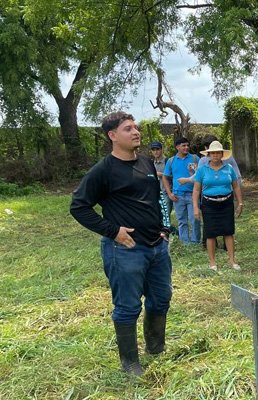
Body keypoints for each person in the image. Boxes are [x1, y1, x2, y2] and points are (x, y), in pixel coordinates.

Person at [70, 111, 172, 376]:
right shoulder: (103, 170)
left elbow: (156, 198)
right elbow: (79, 207)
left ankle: (156, 348)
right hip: (125, 250)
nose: (136, 131)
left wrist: (163, 228)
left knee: (161, 299)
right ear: (113, 136)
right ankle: (130, 363)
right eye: (128, 128)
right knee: (128, 306)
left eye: (136, 127)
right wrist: (113, 231)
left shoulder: (148, 163)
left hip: (157, 247)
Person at [192, 141, 243, 271]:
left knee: (228, 231)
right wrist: (196, 208)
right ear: (209, 155)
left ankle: (232, 261)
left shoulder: (229, 169)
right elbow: (196, 190)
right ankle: (212, 262)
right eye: (213, 153)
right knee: (210, 233)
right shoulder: (202, 169)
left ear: (222, 154)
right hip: (209, 204)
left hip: (226, 203)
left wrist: (240, 202)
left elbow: (236, 186)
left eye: (218, 153)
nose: (215, 155)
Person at [163, 137, 200, 244]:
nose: (186, 147)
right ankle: (185, 242)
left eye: (187, 145)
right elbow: (165, 177)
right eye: (183, 145)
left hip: (193, 194)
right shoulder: (171, 161)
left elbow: (201, 174)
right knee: (182, 221)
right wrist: (169, 193)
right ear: (177, 147)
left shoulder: (194, 158)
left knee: (195, 219)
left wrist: (193, 172)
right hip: (177, 195)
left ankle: (195, 242)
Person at [150, 141, 172, 231]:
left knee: (166, 216)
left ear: (162, 149)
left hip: (167, 192)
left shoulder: (168, 161)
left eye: (157, 149)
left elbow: (174, 177)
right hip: (155, 193)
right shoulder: (151, 163)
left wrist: (162, 175)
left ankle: (167, 233)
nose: (155, 152)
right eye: (153, 149)